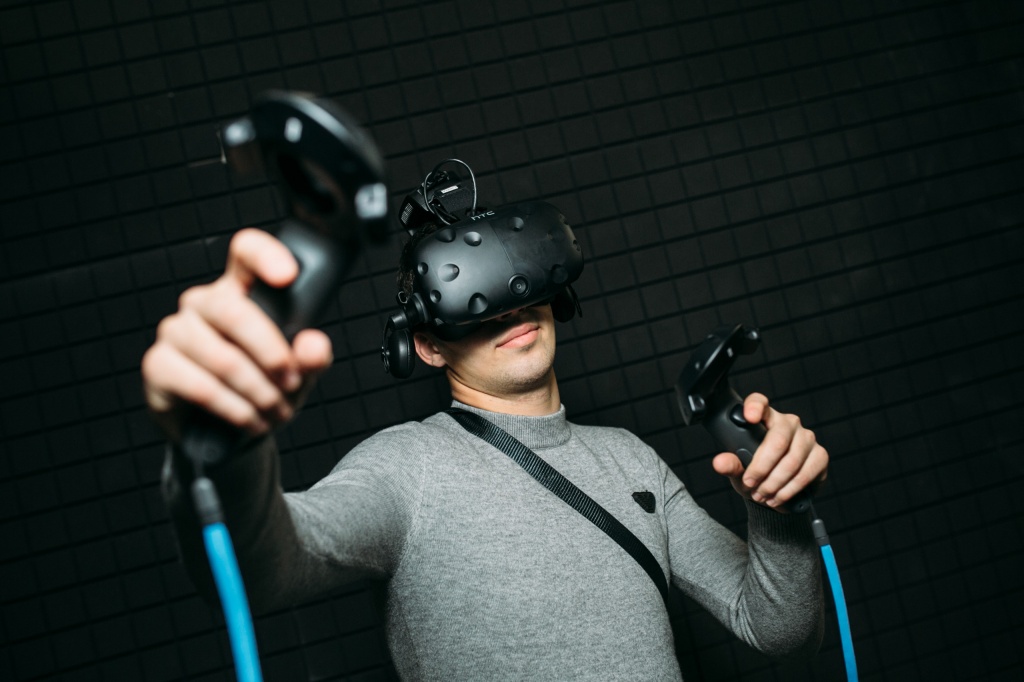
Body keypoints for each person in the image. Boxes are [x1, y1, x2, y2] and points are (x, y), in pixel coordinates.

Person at [144, 226, 828, 680]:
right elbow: (259, 567)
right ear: (428, 345)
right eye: (470, 298)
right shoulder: (406, 468)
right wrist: (224, 441)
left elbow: (778, 629)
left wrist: (778, 511)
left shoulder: (630, 459)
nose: (506, 307)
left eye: (517, 280)